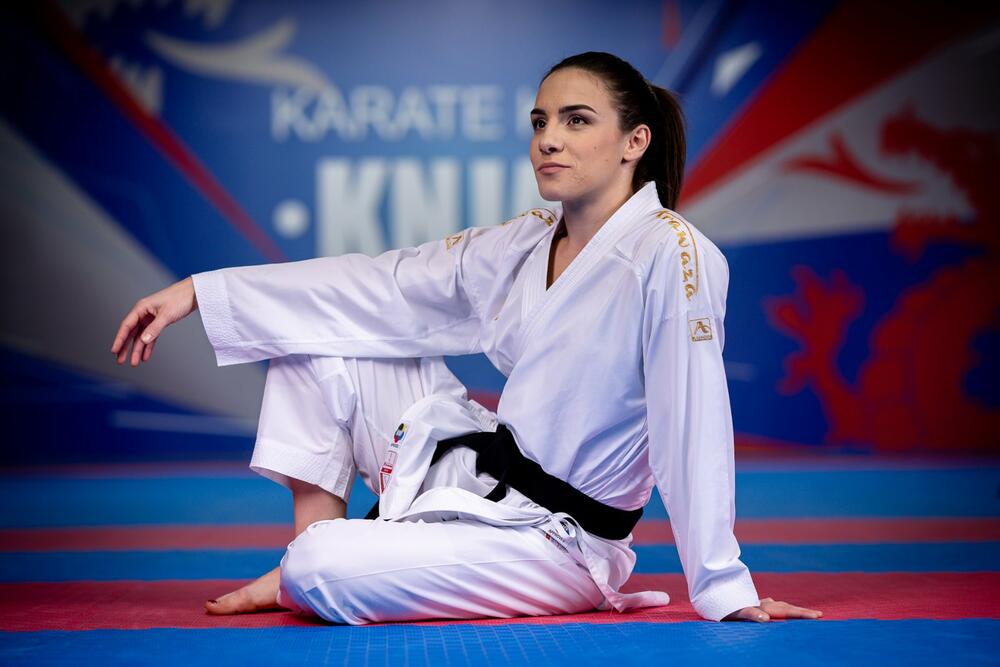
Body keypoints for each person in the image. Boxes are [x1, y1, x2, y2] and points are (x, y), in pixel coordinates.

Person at [110, 52, 822, 624]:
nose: (548, 139)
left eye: (577, 121)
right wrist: (200, 291)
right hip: (484, 475)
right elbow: (380, 286)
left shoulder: (672, 253)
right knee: (314, 332)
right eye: (541, 121)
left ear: (636, 142)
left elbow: (692, 420)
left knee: (324, 568)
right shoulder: (527, 240)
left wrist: (723, 585)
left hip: (558, 543)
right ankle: (307, 550)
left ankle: (315, 565)